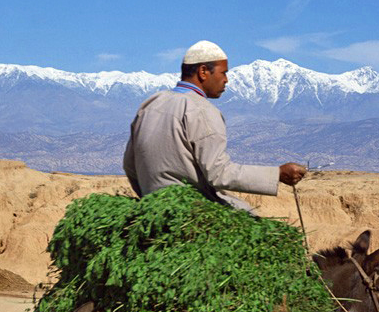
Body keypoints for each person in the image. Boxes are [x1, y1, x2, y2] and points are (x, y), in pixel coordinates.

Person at [122, 40, 306, 211]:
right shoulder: (201, 110)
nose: (226, 80)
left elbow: (130, 165)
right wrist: (278, 174)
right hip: (194, 209)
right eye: (223, 72)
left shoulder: (151, 104)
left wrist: (149, 199)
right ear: (203, 72)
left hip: (155, 206)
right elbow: (219, 173)